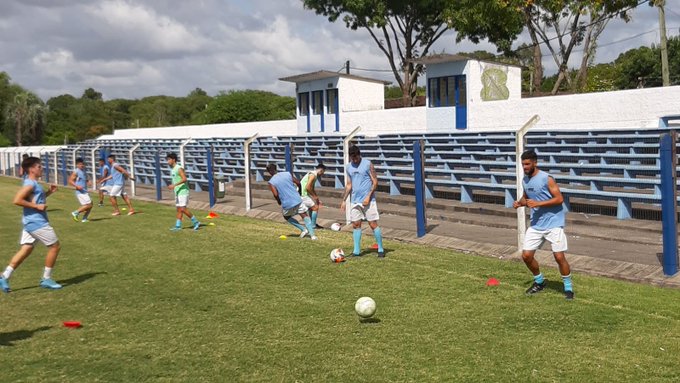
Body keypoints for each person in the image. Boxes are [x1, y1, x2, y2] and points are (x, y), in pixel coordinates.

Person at [513, 149, 574, 300]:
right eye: (523, 164)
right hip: (536, 224)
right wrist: (520, 203)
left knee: (559, 257)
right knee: (526, 256)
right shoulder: (525, 180)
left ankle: (568, 288)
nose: (525, 167)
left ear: (535, 162)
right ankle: (539, 281)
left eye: (527, 164)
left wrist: (539, 203)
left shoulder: (547, 178)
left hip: (554, 223)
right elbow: (527, 197)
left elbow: (559, 199)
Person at [0, 156, 63, 293]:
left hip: (30, 221)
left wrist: (49, 193)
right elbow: (17, 200)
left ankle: (4, 276)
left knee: (26, 249)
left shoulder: (32, 183)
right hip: (36, 222)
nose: (42, 169)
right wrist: (36, 206)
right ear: (32, 169)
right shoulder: (30, 184)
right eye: (39, 167)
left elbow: (36, 199)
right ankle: (46, 279)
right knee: (55, 246)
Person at [340, 145, 385, 258]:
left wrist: (368, 196)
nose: (355, 160)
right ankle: (356, 251)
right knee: (356, 224)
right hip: (355, 200)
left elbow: (375, 182)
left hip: (368, 200)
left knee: (372, 224)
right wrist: (344, 200)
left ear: (359, 155)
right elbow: (349, 184)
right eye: (352, 158)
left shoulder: (367, 164)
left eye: (356, 157)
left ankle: (380, 248)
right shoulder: (348, 167)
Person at [266, 164, 317, 240]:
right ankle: (313, 236)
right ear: (276, 168)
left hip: (287, 202)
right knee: (304, 215)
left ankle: (303, 229)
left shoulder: (271, 182)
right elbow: (298, 183)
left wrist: (279, 201)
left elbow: (275, 194)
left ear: (269, 172)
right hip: (297, 199)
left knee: (286, 216)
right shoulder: (287, 174)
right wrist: (299, 192)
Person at [167, 153, 200, 231]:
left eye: (169, 159)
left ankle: (196, 222)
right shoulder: (173, 169)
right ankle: (178, 226)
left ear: (173, 160)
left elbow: (184, 179)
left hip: (183, 191)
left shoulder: (179, 168)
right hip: (178, 191)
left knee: (182, 209)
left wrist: (174, 185)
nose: (167, 161)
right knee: (178, 209)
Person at [300, 163, 326, 229]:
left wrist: (316, 198)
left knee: (311, 208)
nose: (323, 174)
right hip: (303, 194)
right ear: (321, 170)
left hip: (303, 194)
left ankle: (312, 223)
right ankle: (313, 225)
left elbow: (311, 188)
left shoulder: (314, 175)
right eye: (323, 172)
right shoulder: (313, 175)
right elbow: (308, 187)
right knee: (315, 208)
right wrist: (314, 196)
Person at [69, 158, 93, 223]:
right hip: (80, 192)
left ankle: (84, 219)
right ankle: (75, 212)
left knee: (89, 205)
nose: (81, 165)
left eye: (82, 164)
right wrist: (77, 186)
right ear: (77, 165)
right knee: (89, 205)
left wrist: (88, 181)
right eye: (80, 164)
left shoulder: (83, 171)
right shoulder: (76, 171)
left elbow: (85, 179)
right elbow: (70, 181)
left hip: (84, 191)